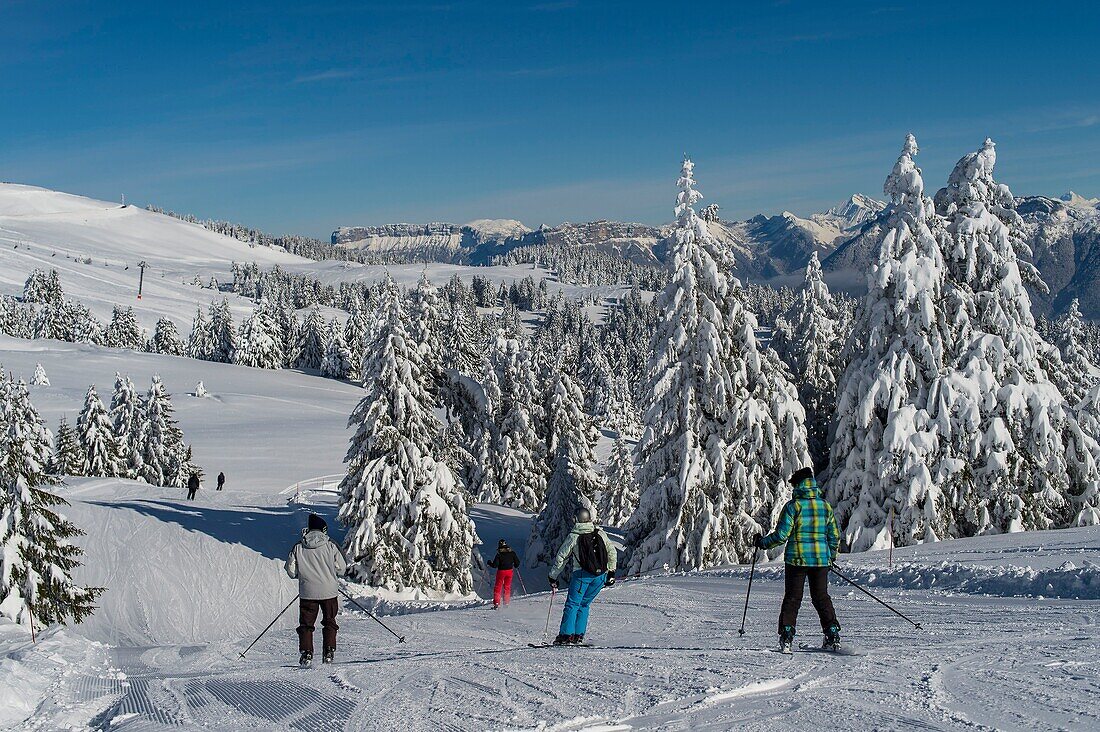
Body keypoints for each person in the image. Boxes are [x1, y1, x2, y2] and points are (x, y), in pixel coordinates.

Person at [756, 467, 841, 654]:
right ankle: (832, 634)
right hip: (820, 560)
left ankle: (787, 636)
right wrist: (831, 556)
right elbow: (834, 535)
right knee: (821, 597)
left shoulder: (793, 507)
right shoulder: (825, 506)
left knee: (793, 598)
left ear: (798, 485)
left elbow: (781, 535)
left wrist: (762, 543)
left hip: (796, 560)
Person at [547, 508, 617, 646]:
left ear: (576, 519)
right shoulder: (599, 533)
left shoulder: (574, 536)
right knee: (584, 604)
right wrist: (611, 572)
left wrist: (553, 576)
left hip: (581, 576)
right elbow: (612, 552)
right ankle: (578, 635)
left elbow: (562, 558)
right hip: (600, 576)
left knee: (572, 604)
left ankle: (566, 635)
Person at [285, 513, 347, 666]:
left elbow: (291, 570)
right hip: (329, 592)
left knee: (306, 625)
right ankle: (329, 652)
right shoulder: (331, 545)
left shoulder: (298, 546)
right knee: (329, 622)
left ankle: (306, 654)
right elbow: (342, 568)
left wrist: (303, 575)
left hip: (308, 592)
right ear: (322, 529)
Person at [487, 539, 520, 609]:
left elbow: (495, 565)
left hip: (501, 572)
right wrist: (514, 565)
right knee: (507, 587)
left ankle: (496, 603)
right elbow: (517, 563)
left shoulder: (499, 554)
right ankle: (506, 603)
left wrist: (489, 563)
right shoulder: (512, 553)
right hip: (509, 572)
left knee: (498, 587)